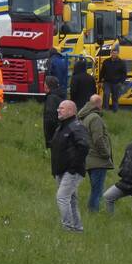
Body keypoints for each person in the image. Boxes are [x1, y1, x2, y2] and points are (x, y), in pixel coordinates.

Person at [50, 99, 90, 232]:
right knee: (71, 200)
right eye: (58, 108)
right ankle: (78, 228)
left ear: (71, 111)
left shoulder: (77, 126)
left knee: (62, 197)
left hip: (71, 171)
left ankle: (67, 227)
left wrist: (73, 167)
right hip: (60, 170)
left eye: (61, 108)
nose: (58, 110)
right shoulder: (61, 126)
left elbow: (84, 146)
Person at [78, 95, 113, 212]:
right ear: (99, 103)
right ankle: (93, 212)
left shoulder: (83, 116)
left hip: (87, 158)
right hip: (97, 159)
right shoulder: (95, 118)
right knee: (97, 190)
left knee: (95, 188)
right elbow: (98, 138)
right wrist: (106, 154)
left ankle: (93, 212)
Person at [99, 45, 127, 113]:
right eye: (113, 53)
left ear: (118, 53)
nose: (114, 54)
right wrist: (100, 81)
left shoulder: (122, 63)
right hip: (107, 82)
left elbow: (124, 74)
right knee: (106, 94)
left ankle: (115, 111)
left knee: (115, 98)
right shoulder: (106, 61)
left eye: (115, 53)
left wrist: (121, 83)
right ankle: (105, 110)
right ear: (111, 53)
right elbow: (102, 72)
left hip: (116, 83)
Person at [43, 75, 67, 149]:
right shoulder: (58, 96)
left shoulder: (51, 98)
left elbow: (50, 119)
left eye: (45, 83)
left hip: (55, 136)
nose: (43, 85)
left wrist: (50, 139)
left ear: (48, 86)